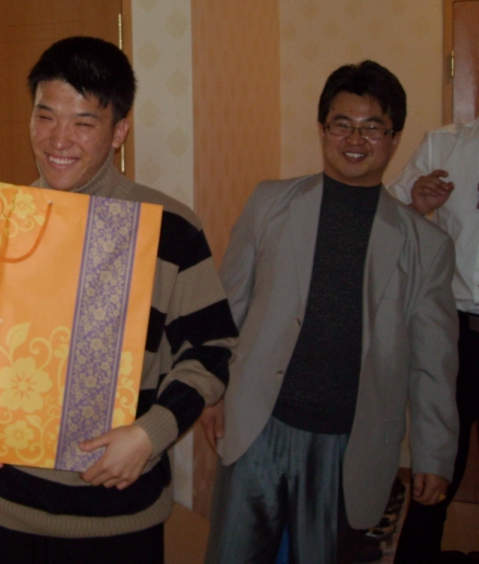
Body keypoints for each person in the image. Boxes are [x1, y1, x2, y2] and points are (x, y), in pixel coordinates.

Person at [0, 36, 239, 564]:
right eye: (45, 116)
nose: (58, 140)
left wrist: (150, 435)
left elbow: (212, 349)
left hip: (120, 513)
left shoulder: (169, 229)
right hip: (11, 508)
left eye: (83, 122)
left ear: (119, 131)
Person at [202, 60, 459, 564]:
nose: (354, 139)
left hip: (351, 440)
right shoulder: (270, 203)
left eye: (372, 127)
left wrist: (434, 453)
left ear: (394, 138)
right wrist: (212, 392)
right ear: (322, 129)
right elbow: (228, 307)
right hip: (259, 423)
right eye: (342, 124)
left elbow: (434, 362)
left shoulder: (425, 246)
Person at [387, 116, 479, 563]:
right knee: (437, 463)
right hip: (457, 332)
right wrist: (416, 206)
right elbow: (385, 225)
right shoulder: (443, 146)